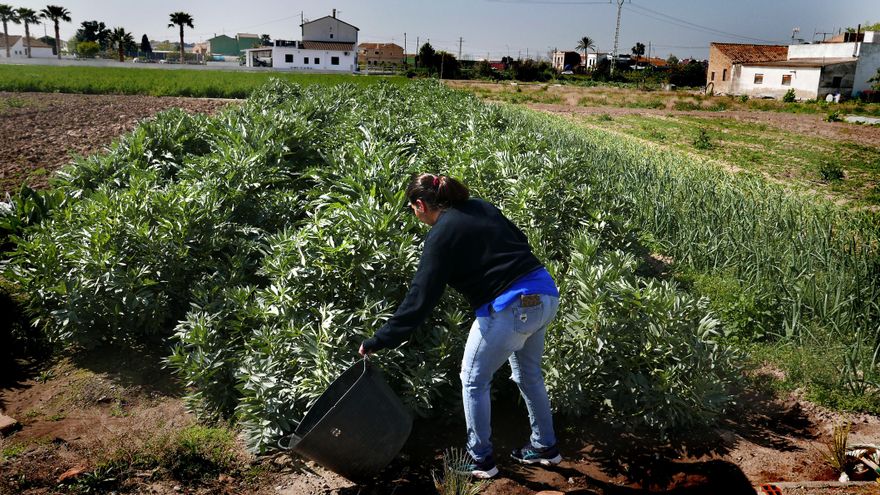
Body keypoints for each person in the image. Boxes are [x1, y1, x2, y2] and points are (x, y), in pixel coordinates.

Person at [359, 173, 562, 479]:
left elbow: (420, 298)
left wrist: (380, 339)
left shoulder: (441, 234)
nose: (414, 214)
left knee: (472, 379)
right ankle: (545, 447)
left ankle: (480, 460)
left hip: (510, 307)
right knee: (528, 374)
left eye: (412, 208)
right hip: (544, 296)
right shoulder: (480, 207)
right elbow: (520, 241)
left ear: (420, 204)